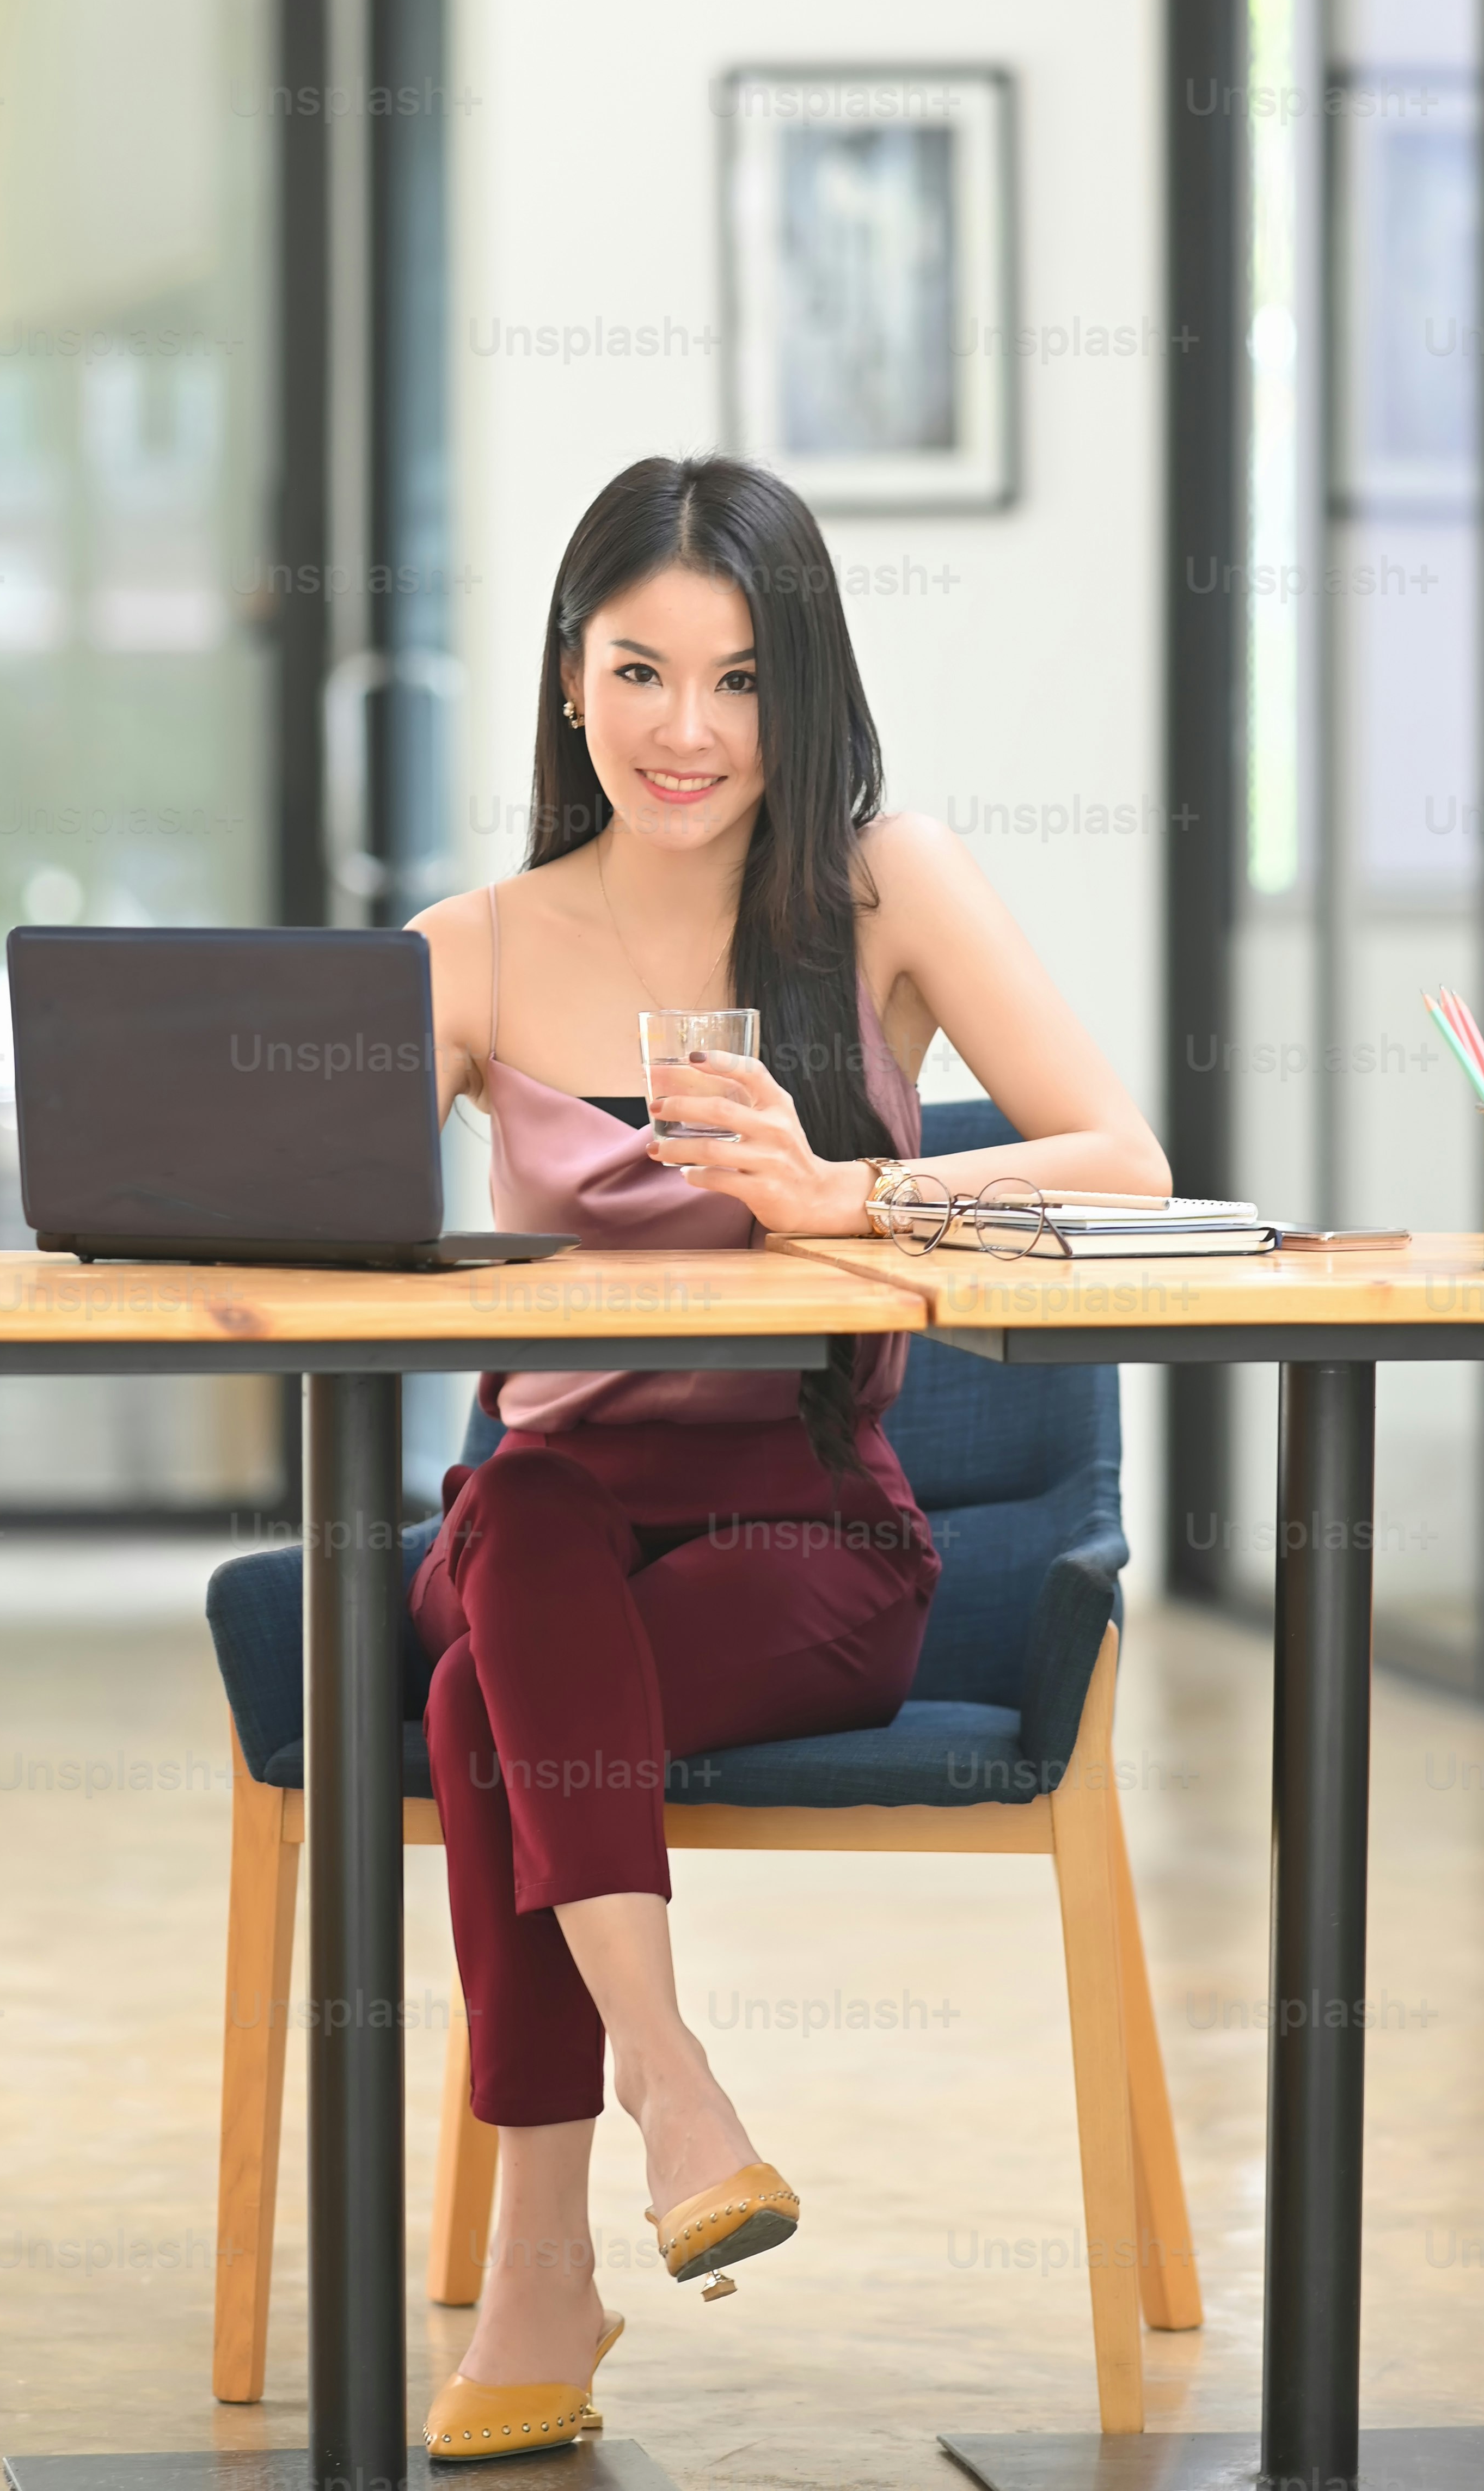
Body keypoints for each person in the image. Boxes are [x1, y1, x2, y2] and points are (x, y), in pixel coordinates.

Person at [408, 454, 1169, 2462]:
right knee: (527, 1531)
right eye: (640, 671)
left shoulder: (881, 885)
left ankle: (547, 2278)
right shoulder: (474, 946)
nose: (686, 731)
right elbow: (281, 1211)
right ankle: (678, 2089)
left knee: (495, 1702)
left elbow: (1126, 1163)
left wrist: (842, 1191)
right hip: (540, 1512)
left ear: (800, 687)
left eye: (739, 680)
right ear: (569, 678)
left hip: (807, 1530)